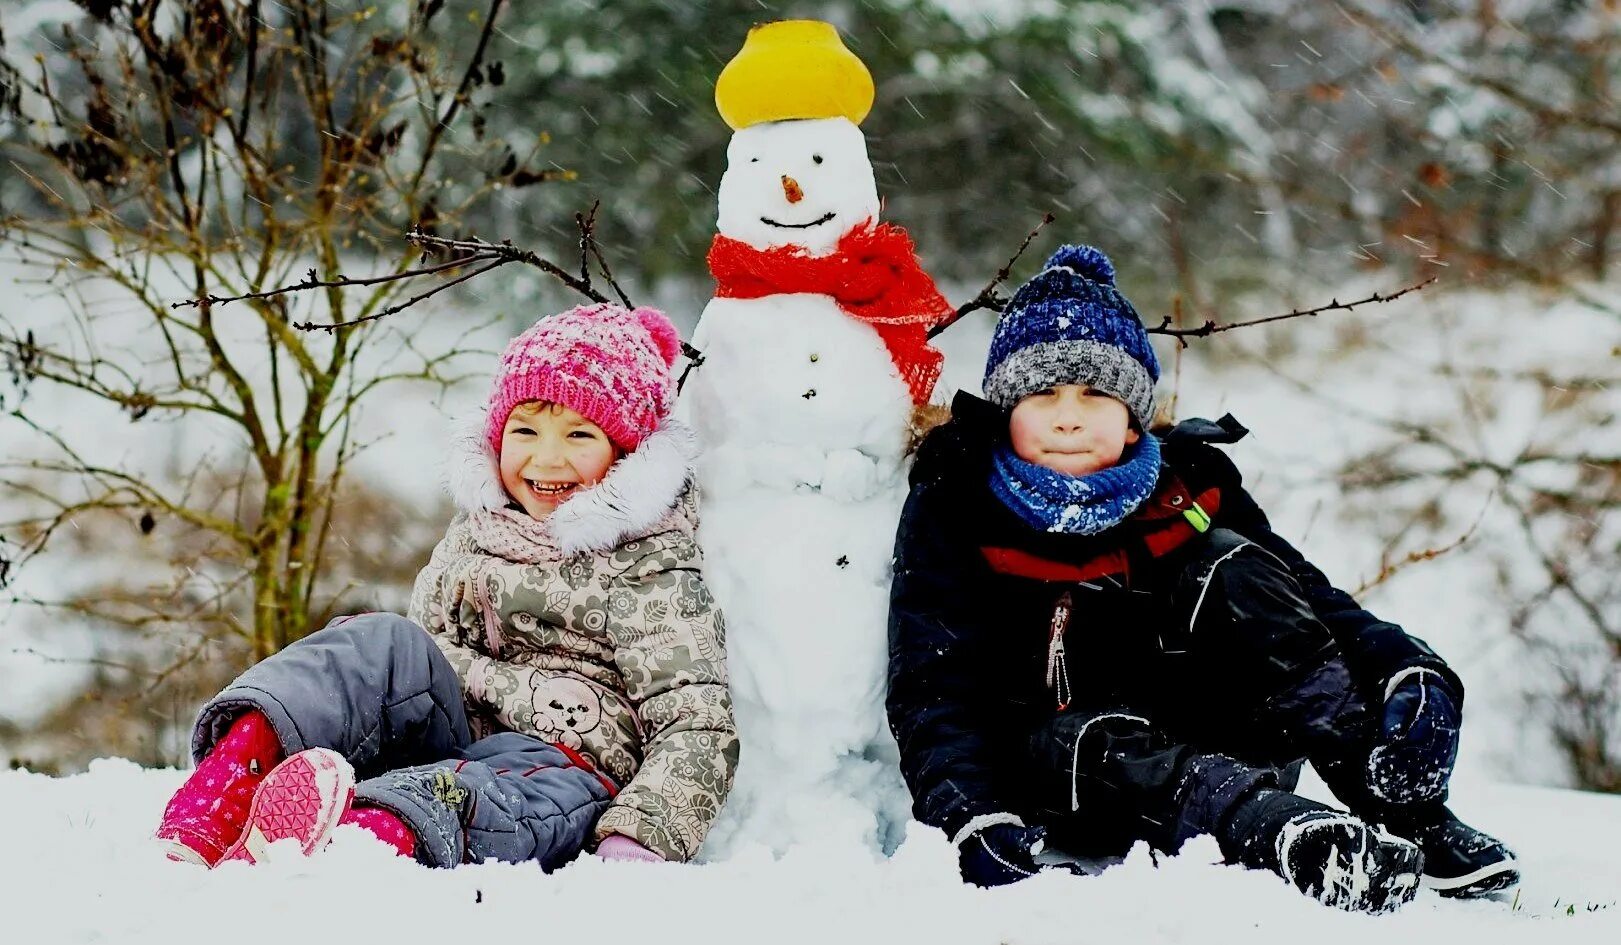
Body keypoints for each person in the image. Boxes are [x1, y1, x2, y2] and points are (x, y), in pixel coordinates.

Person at [886, 245, 1517, 911]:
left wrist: (1406, 668)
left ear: (1131, 418)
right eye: (1042, 394)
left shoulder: (1189, 483)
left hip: (1205, 728)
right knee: (1095, 736)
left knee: (1233, 565)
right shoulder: (955, 502)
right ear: (1006, 409)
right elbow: (930, 685)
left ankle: (1402, 807)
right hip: (1063, 765)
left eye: (1095, 393)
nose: (1068, 415)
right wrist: (970, 815)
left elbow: (1308, 600)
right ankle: (1288, 835)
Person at [152, 303, 737, 870]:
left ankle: (352, 842)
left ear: (626, 450)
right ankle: (227, 790)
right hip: (455, 725)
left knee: (467, 794)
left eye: (580, 435)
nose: (546, 457)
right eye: (526, 429)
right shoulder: (480, 527)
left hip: (566, 765)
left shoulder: (651, 562)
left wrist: (641, 834)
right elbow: (421, 655)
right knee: (380, 640)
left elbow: (695, 720)